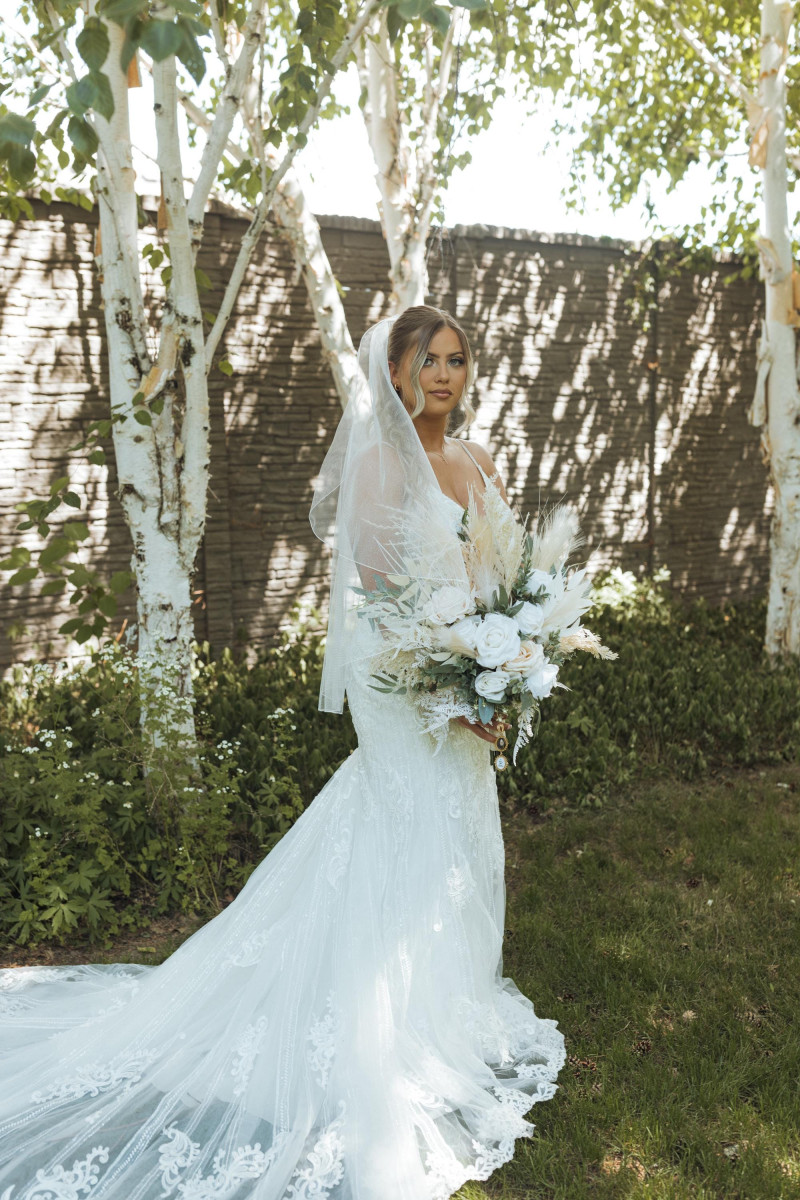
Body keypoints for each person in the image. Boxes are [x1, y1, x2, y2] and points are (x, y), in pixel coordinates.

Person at [0, 306, 566, 1199]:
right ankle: (380, 1028)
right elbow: (386, 609)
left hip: (469, 687)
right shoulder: (382, 470)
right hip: (404, 690)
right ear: (396, 372)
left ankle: (445, 1009)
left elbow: (503, 577)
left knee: (461, 839)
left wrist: (509, 670)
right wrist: (456, 691)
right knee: (402, 832)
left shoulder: (480, 459)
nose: (446, 376)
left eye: (458, 358)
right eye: (429, 361)